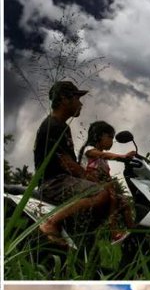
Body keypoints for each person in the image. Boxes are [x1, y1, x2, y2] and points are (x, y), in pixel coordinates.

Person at [33, 80, 120, 246]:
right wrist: (89, 178)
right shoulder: (53, 125)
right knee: (100, 193)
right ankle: (51, 223)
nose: (80, 104)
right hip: (54, 182)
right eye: (77, 98)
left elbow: (70, 162)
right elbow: (65, 161)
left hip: (63, 180)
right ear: (65, 99)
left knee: (114, 198)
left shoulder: (62, 126)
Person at [78, 120, 137, 242]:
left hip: (101, 188)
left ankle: (134, 232)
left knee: (124, 201)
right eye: (109, 137)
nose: (111, 141)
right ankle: (113, 232)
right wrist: (122, 157)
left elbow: (107, 176)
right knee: (112, 195)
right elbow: (103, 155)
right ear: (100, 136)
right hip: (87, 187)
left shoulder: (104, 161)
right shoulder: (89, 149)